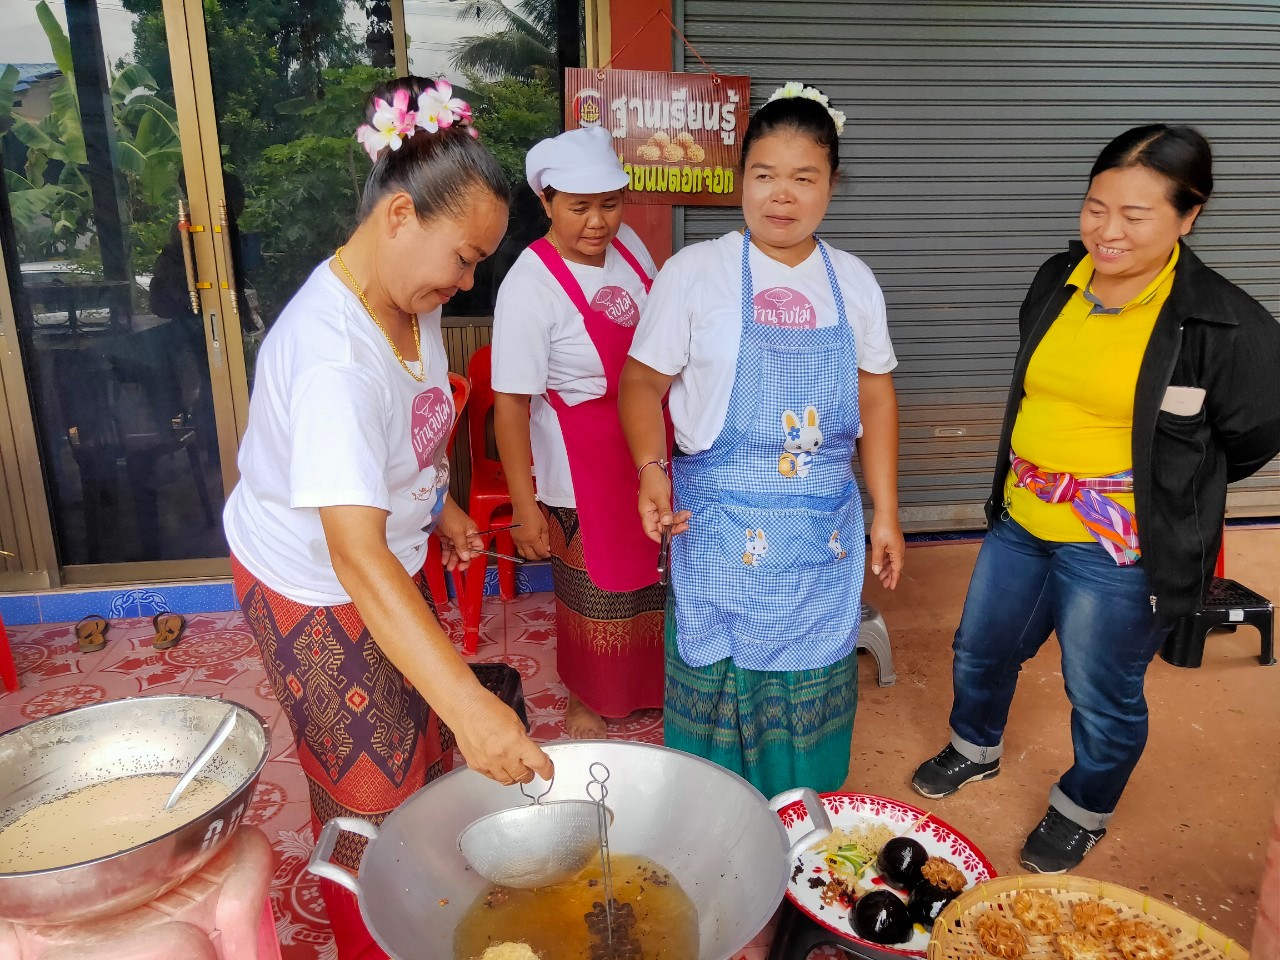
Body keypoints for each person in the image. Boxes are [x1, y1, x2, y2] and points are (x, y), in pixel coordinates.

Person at [222, 76, 553, 959]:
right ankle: (376, 935)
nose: (468, 279)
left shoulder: (414, 299)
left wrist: (439, 510)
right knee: (367, 787)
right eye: (467, 257)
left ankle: (430, 906)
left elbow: (400, 437)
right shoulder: (331, 357)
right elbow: (354, 558)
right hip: (313, 581)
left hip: (380, 556)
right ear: (399, 216)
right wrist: (475, 710)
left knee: (418, 746)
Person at [910, 125, 1280, 874]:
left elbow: (1252, 435)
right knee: (982, 647)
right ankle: (974, 746)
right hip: (1022, 518)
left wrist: (1162, 491)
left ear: (1189, 214)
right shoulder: (1060, 279)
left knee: (1100, 690)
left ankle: (1082, 807)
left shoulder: (1224, 323)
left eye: (1134, 215)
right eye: (1095, 207)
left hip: (1119, 546)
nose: (1106, 230)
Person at [619, 84, 905, 798]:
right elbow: (638, 382)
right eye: (764, 175)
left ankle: (800, 836)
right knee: (718, 694)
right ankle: (718, 834)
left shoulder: (855, 282)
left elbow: (875, 394)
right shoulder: (696, 274)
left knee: (807, 689)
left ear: (831, 185)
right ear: (740, 177)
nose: (782, 196)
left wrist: (889, 511)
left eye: (804, 178)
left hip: (820, 533)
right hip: (720, 525)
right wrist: (652, 469)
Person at [491, 127, 665, 739]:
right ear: (546, 202)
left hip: (646, 436)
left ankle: (652, 685)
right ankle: (590, 696)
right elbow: (508, 405)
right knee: (593, 586)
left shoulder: (634, 250)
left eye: (610, 204)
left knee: (654, 571)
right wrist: (523, 506)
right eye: (580, 206)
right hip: (579, 453)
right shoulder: (529, 286)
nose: (599, 222)